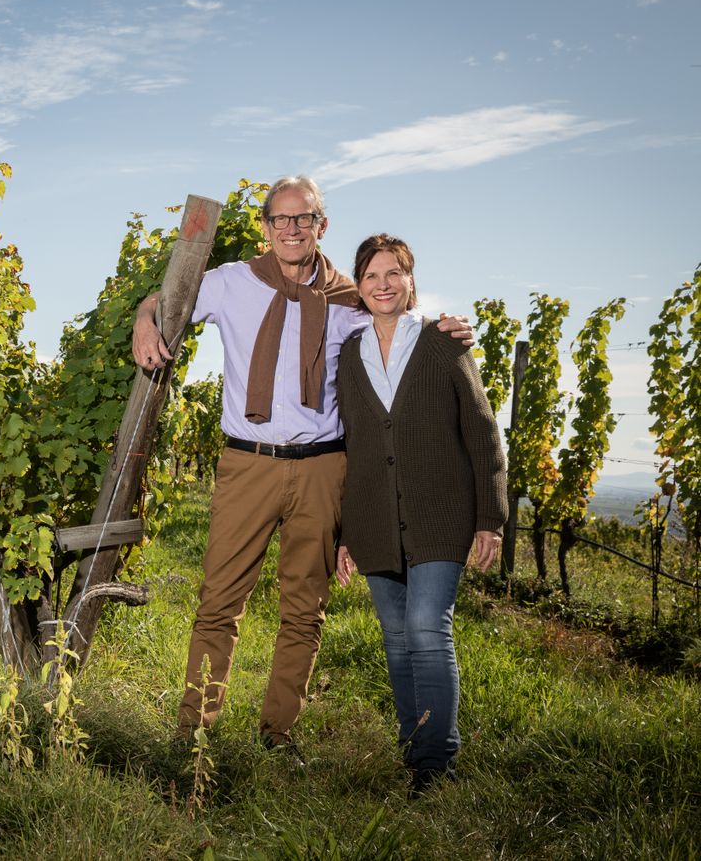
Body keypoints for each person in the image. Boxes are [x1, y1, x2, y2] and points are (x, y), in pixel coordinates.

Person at [131, 175, 473, 758]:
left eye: (304, 218)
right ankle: (193, 735)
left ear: (322, 225)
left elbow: (401, 326)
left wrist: (449, 328)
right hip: (249, 464)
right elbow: (167, 299)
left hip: (323, 468)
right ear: (265, 227)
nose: (291, 229)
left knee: (304, 610)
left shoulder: (349, 296)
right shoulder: (234, 282)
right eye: (280, 220)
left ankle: (277, 736)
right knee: (219, 602)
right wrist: (145, 317)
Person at [333, 233, 506, 794]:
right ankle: (414, 751)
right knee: (395, 638)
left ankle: (436, 766)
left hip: (440, 517)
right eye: (371, 276)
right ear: (359, 287)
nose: (382, 285)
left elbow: (482, 434)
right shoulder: (349, 356)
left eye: (393, 274)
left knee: (428, 630)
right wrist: (343, 534)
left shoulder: (442, 345)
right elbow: (352, 446)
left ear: (411, 281)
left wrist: (491, 518)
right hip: (373, 520)